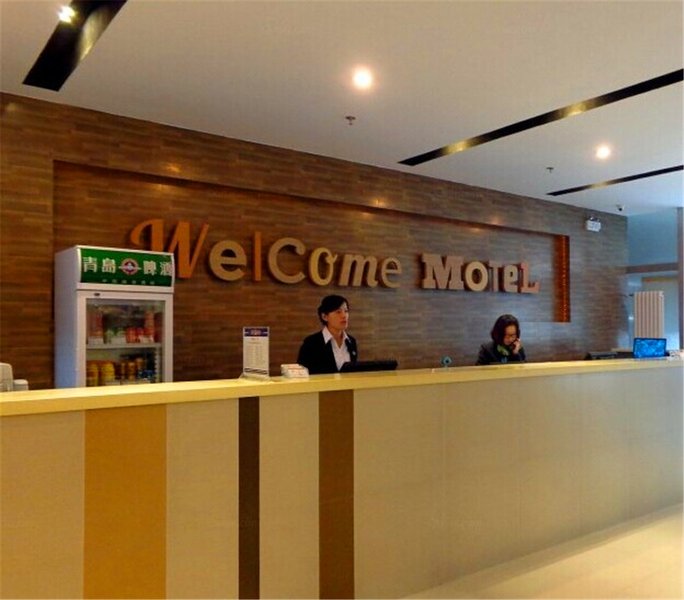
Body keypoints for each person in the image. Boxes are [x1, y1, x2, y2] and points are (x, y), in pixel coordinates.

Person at [297, 294, 358, 374]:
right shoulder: (311, 343)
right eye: (338, 312)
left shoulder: (351, 341)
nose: (344, 316)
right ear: (324, 317)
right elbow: (301, 374)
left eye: (346, 311)